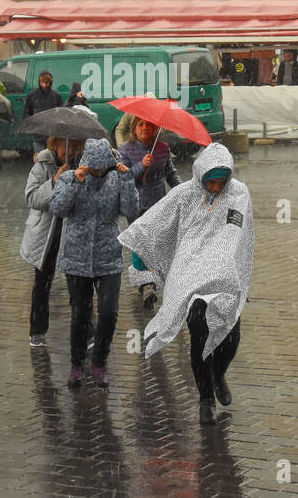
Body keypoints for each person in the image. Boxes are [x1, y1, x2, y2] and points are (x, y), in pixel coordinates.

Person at [119, 143, 253, 426]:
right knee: (200, 335)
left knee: (231, 337)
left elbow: (241, 238)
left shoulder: (239, 194)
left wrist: (239, 276)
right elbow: (153, 224)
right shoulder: (184, 195)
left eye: (221, 182)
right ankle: (205, 399)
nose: (216, 188)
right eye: (211, 182)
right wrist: (140, 259)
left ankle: (218, 374)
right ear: (201, 176)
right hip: (189, 277)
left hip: (224, 277)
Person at [49, 137, 137, 390]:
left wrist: (127, 180)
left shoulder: (116, 179)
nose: (98, 174)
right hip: (76, 259)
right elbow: (58, 208)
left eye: (102, 169)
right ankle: (77, 365)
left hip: (108, 257)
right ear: (86, 163)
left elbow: (131, 210)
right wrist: (74, 183)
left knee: (109, 312)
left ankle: (99, 362)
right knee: (80, 316)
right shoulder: (69, 179)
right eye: (94, 169)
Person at [21, 136, 82, 347]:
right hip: (47, 234)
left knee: (78, 284)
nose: (70, 150)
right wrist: (54, 181)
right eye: (66, 145)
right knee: (42, 283)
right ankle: (37, 330)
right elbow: (31, 198)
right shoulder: (42, 164)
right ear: (54, 145)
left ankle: (86, 331)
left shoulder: (82, 165)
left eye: (75, 146)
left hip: (71, 233)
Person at [119, 117, 182, 309]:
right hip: (136, 206)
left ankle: (157, 280)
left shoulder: (162, 148)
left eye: (149, 125)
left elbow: (170, 173)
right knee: (140, 245)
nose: (145, 128)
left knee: (157, 244)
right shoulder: (125, 150)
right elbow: (124, 177)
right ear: (134, 128)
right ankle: (146, 285)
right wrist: (141, 166)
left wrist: (182, 190)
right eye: (141, 124)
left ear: (155, 129)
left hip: (158, 205)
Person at [22, 71, 63, 153]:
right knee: (40, 158)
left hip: (51, 132)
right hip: (38, 132)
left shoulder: (56, 96)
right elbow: (27, 113)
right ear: (39, 82)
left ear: (50, 83)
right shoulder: (32, 95)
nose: (44, 85)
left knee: (50, 158)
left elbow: (60, 113)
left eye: (46, 83)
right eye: (42, 82)